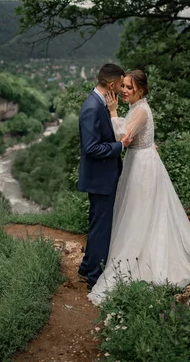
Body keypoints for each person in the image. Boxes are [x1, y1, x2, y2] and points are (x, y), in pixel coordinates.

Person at [88, 70, 190, 305]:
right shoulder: (138, 108)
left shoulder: (141, 110)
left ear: (141, 90)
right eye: (123, 86)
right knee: (138, 211)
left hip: (143, 167)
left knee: (141, 212)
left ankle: (144, 259)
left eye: (128, 87)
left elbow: (123, 136)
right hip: (139, 162)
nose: (123, 90)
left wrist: (113, 112)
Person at [78, 63, 133, 291]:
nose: (122, 89)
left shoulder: (99, 103)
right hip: (100, 179)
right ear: (111, 85)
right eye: (121, 85)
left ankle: (86, 267)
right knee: (101, 228)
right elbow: (91, 148)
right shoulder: (92, 108)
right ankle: (94, 278)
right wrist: (119, 146)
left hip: (101, 177)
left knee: (97, 224)